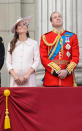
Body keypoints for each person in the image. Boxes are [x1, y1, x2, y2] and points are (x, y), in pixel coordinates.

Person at [40, 11, 79, 87]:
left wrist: (67, 71)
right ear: (51, 22)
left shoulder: (72, 36)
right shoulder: (45, 37)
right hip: (51, 79)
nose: (58, 18)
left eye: (59, 16)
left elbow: (75, 57)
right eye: (55, 17)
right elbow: (43, 58)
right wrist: (56, 71)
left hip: (67, 80)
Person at [6, 16, 40, 87]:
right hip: (15, 80)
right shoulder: (11, 44)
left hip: (29, 79)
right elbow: (8, 62)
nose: (22, 26)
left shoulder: (34, 43)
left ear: (27, 29)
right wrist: (15, 76)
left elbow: (36, 61)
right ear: (16, 30)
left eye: (24, 24)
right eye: (19, 25)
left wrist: (27, 75)